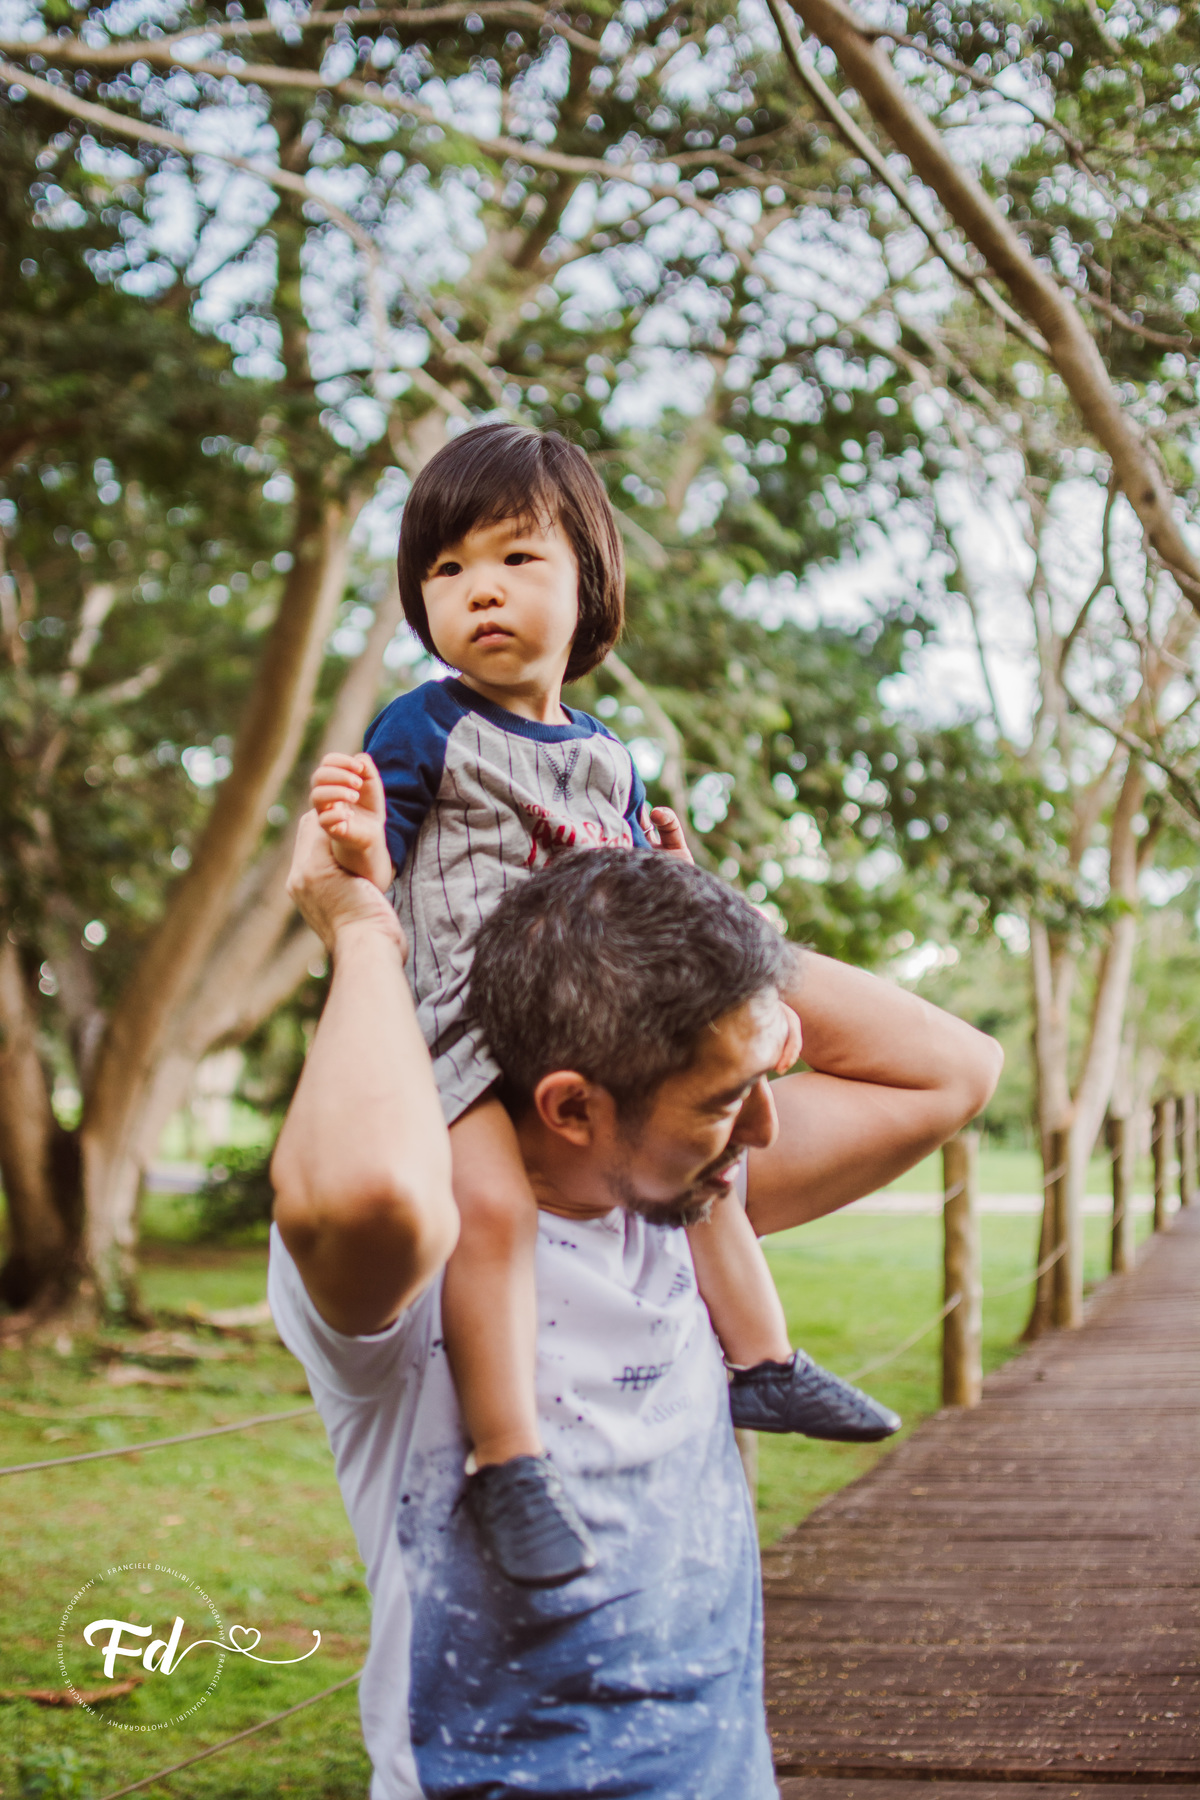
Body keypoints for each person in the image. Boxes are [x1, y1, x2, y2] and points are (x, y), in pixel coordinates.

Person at [269, 819, 1002, 1800]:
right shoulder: (422, 1270)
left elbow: (956, 1068)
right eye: (722, 1100)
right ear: (574, 1109)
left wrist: (719, 930)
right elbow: (361, 1196)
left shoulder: (677, 1190)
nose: (764, 1128)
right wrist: (363, 932)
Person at [308, 422, 898, 1589]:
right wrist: (362, 846)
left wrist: (674, 876)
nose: (480, 590)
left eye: (518, 560)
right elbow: (368, 884)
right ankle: (509, 1457)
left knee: (705, 1153)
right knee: (488, 1204)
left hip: (595, 1021)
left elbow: (636, 905)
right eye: (447, 569)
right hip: (468, 1021)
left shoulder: (610, 754)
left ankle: (764, 1356)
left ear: (590, 583)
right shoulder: (426, 728)